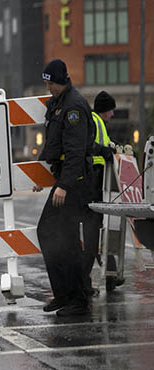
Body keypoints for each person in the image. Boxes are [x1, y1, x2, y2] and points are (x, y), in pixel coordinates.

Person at [34, 59, 95, 317]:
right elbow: (55, 147)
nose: (48, 87)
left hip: (74, 183)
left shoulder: (74, 107)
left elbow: (75, 152)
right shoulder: (59, 103)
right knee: (49, 233)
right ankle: (64, 294)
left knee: (66, 240)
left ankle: (79, 300)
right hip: (65, 181)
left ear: (60, 80)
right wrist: (44, 177)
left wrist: (64, 186)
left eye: (50, 82)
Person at [83, 91, 117, 295]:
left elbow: (102, 145)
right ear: (105, 109)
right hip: (93, 178)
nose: (113, 114)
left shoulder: (99, 123)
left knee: (95, 227)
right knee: (93, 228)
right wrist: (103, 152)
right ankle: (101, 274)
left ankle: (110, 272)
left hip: (97, 178)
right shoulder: (94, 121)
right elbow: (88, 145)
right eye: (112, 109)